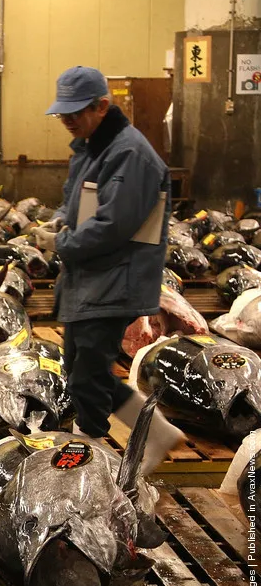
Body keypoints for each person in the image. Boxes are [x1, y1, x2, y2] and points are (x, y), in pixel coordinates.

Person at [34, 65, 185, 474]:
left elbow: (114, 225)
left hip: (116, 278)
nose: (66, 119)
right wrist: (58, 222)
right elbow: (82, 203)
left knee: (87, 372)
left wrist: (62, 242)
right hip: (92, 278)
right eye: (62, 112)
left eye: (75, 111)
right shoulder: (93, 146)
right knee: (78, 365)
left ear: (102, 106)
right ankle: (153, 432)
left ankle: (89, 448)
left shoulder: (129, 153)